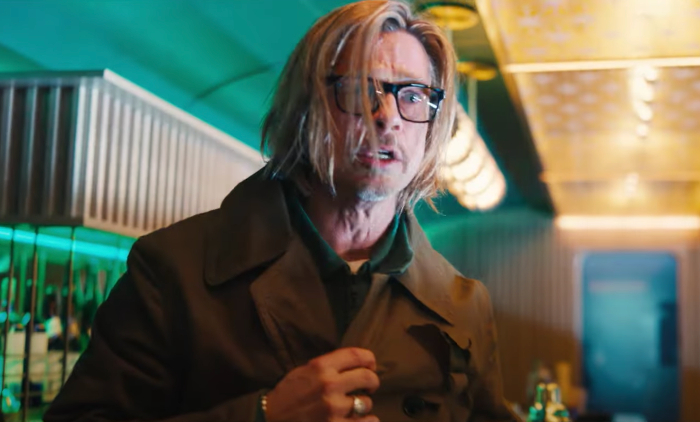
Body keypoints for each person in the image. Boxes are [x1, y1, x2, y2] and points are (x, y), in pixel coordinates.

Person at [44, 1, 519, 421]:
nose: (388, 116)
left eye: (412, 95)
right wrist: (263, 415)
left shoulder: (463, 305)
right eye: (360, 90)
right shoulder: (174, 269)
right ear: (306, 108)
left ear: (433, 125)